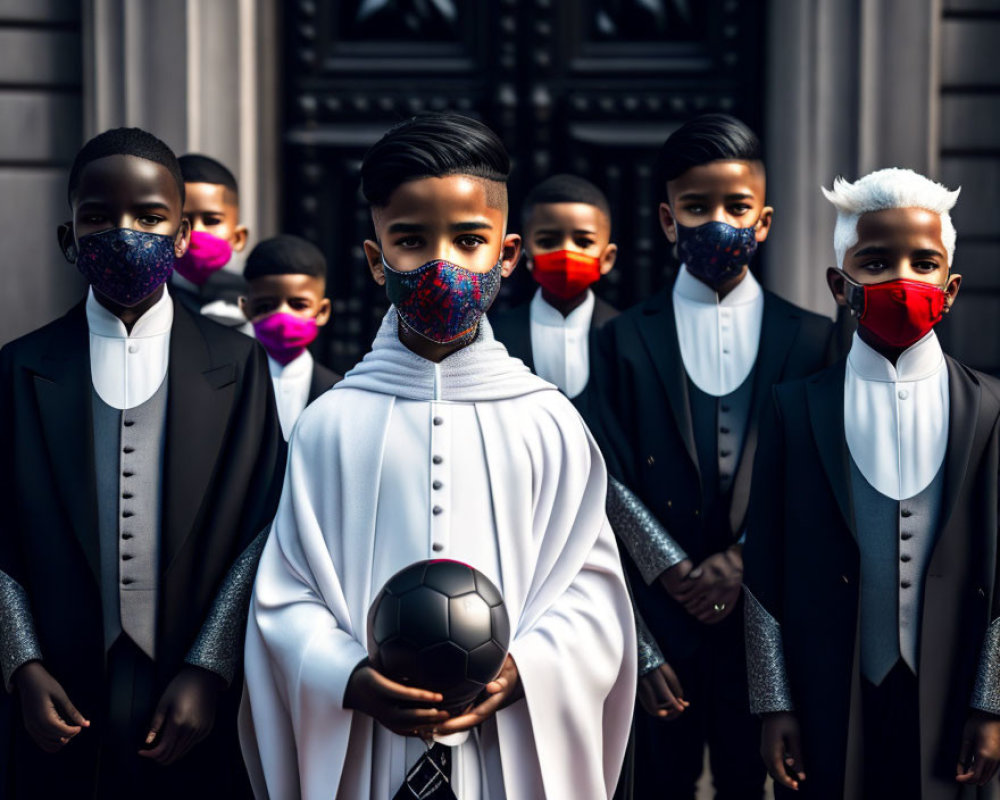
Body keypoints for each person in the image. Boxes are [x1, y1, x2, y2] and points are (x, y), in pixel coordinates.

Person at [240, 112, 636, 800]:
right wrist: (346, 678)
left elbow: (593, 598)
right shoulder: (329, 426)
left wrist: (528, 672)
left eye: (469, 240)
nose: (440, 263)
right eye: (411, 240)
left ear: (507, 256)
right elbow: (284, 595)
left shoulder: (547, 422)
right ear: (375, 259)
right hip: (370, 746)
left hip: (506, 749)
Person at [0, 127, 285, 798]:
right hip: (57, 692)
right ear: (69, 237)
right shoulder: (18, 368)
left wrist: (209, 669)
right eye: (98, 217)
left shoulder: (238, 365)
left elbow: (262, 524)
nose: (125, 233)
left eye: (151, 217)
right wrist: (21, 664)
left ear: (182, 235)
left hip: (190, 695)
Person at [583, 114, 832, 799]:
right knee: (653, 782)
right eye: (696, 207)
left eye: (736, 207)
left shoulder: (815, 341)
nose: (716, 221)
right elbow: (602, 473)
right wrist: (672, 573)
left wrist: (744, 559)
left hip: (771, 618)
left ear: (765, 220)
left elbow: (823, 478)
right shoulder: (620, 340)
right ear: (667, 220)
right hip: (660, 621)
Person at [744, 167, 1000, 798]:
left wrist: (992, 704)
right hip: (826, 692)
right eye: (877, 263)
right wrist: (773, 704)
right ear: (841, 284)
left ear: (951, 284)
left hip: (953, 694)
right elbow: (764, 566)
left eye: (924, 263)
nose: (903, 280)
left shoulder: (992, 408)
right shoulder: (792, 407)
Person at [490, 174, 618, 399]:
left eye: (583, 242)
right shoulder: (493, 336)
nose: (567, 253)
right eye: (547, 242)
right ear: (524, 254)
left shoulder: (627, 335)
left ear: (607, 258)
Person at [241, 234, 341, 440]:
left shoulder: (342, 393)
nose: (282, 315)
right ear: (246, 308)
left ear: (322, 311)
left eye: (298, 305)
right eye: (265, 306)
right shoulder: (229, 386)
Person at [172, 154, 249, 329]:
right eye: (182, 219)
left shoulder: (261, 300)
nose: (197, 230)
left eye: (212, 220)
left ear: (238, 238)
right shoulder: (147, 302)